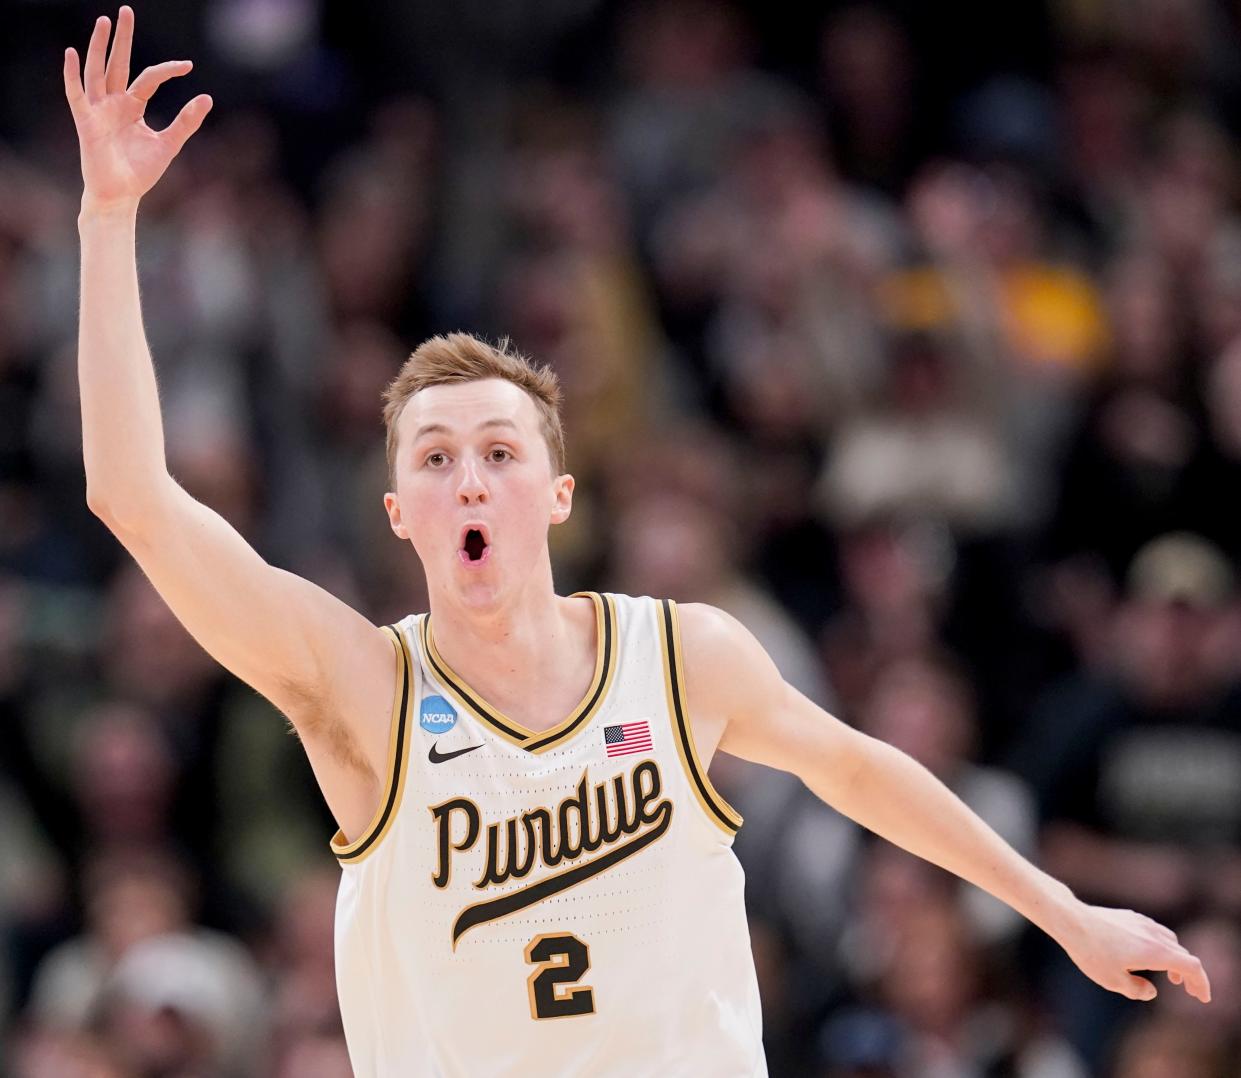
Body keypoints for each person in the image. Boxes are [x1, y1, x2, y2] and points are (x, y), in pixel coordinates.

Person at [63, 9, 1211, 1076]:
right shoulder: (363, 689)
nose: (469, 476)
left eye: (500, 453)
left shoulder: (678, 657)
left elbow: (858, 768)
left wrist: (1062, 910)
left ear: (559, 494)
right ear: (397, 512)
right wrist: (107, 222)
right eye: (434, 457)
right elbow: (133, 496)